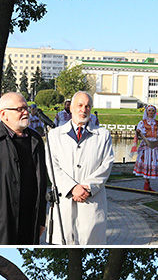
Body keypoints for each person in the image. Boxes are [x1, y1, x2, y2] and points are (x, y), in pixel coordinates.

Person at [0, 92, 47, 245]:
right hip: (1, 222)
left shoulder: (35, 140)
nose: (26, 112)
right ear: (4, 114)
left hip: (30, 221)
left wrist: (41, 220)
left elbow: (42, 183)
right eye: (20, 109)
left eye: (26, 107)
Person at [47, 91, 114, 245]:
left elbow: (107, 164)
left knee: (90, 241)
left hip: (91, 201)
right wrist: (72, 188)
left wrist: (87, 187)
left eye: (87, 106)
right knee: (64, 240)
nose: (83, 110)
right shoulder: (55, 135)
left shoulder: (103, 135)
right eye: (80, 105)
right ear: (71, 108)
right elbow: (52, 166)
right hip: (65, 201)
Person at [132, 105, 158, 191]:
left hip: (154, 144)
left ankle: (148, 184)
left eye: (153, 111)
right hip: (146, 144)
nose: (151, 112)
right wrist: (139, 133)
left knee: (151, 163)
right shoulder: (142, 123)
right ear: (147, 112)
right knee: (146, 162)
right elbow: (141, 134)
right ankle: (146, 183)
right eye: (150, 111)